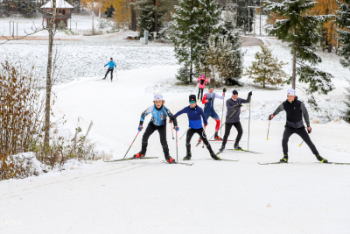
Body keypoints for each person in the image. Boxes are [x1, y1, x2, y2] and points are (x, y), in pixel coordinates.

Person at [268, 88, 328, 163]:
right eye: (288, 96)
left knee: (309, 142)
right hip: (289, 126)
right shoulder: (285, 104)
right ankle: (285, 157)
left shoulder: (300, 104)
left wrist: (308, 126)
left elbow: (305, 114)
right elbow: (278, 109)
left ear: (294, 96)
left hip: (300, 127)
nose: (289, 97)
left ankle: (318, 156)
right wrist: (273, 115)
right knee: (284, 139)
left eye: (290, 96)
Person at [134, 94, 179, 163]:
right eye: (156, 102)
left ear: (162, 102)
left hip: (162, 126)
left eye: (159, 101)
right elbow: (143, 114)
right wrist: (140, 124)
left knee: (163, 141)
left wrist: (175, 125)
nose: (158, 103)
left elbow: (172, 117)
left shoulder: (165, 109)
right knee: (145, 136)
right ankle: (142, 153)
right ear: (154, 102)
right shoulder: (152, 108)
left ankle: (167, 156)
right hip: (152, 124)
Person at [174, 95, 220, 160]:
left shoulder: (199, 109)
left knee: (206, 141)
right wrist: (173, 117)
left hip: (200, 129)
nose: (192, 103)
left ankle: (212, 154)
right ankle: (188, 154)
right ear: (189, 102)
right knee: (187, 141)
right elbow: (179, 112)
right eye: (190, 102)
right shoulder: (187, 109)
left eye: (193, 102)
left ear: (195, 101)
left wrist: (205, 122)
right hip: (191, 128)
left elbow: (204, 116)